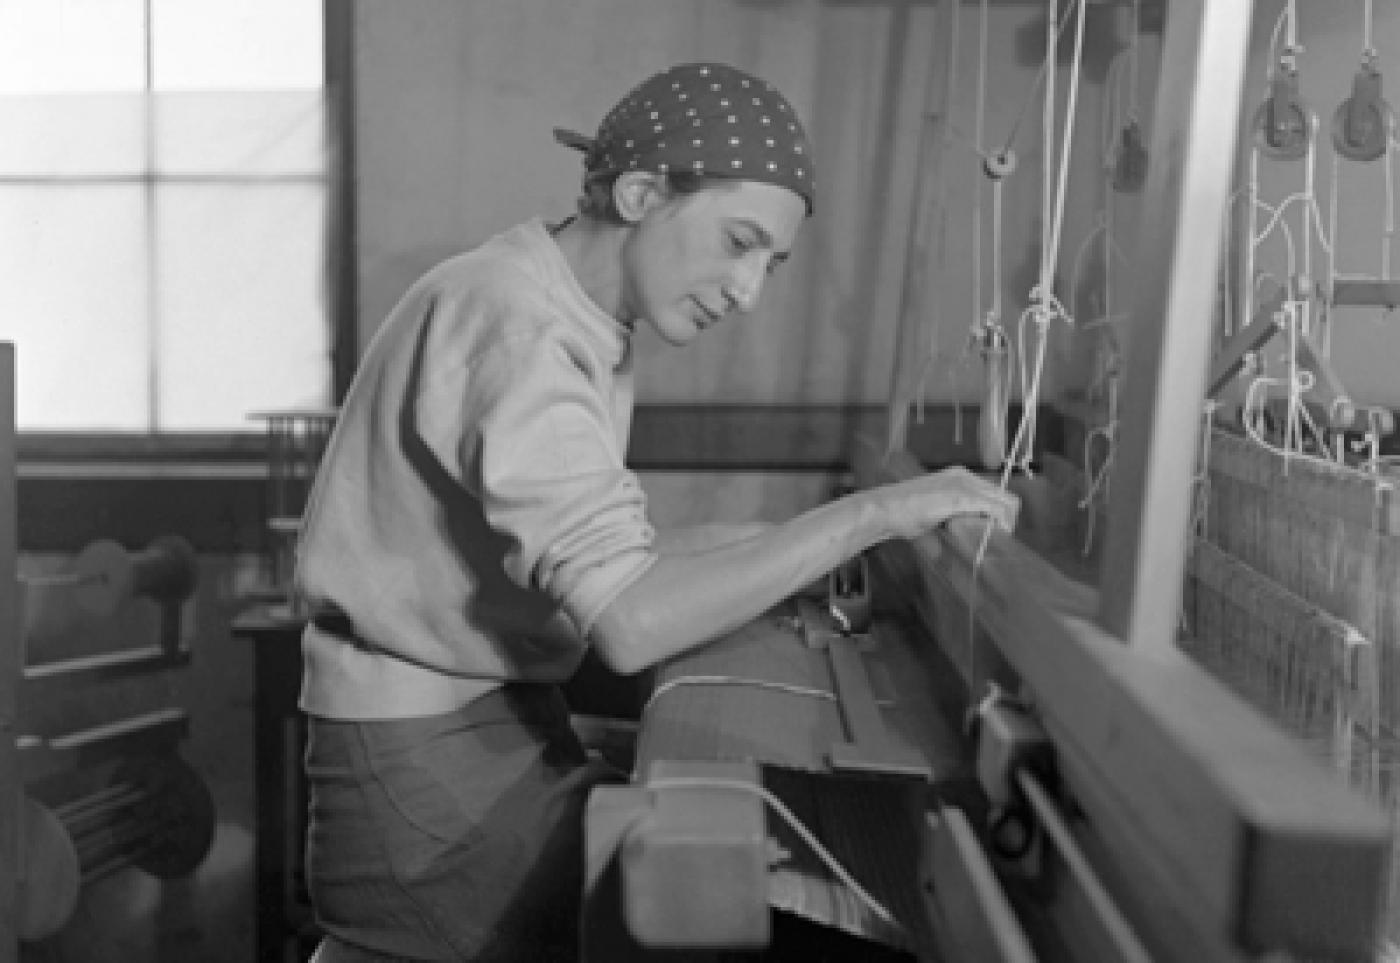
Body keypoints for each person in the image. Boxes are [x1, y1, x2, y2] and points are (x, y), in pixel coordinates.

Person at [294, 61, 1018, 962]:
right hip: (426, 784)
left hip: (477, 738)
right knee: (747, 919)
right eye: (739, 240)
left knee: (724, 886)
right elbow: (631, 620)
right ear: (640, 192)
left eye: (772, 263)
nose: (749, 290)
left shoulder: (558, 308)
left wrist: (777, 545)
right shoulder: (521, 327)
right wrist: (871, 515)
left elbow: (606, 550)